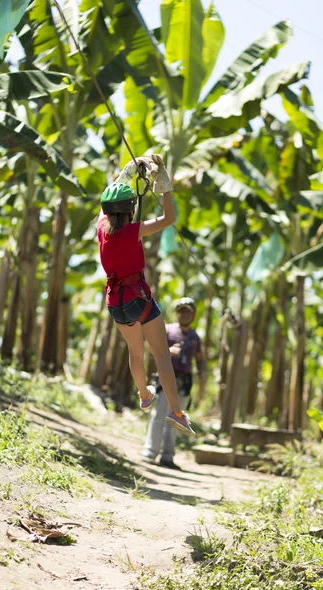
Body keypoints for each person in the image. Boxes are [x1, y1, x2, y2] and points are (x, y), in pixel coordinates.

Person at [97, 155, 195, 437]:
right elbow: (170, 218)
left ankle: (144, 396)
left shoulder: (101, 231)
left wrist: (128, 172)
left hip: (116, 302)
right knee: (162, 355)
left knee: (135, 352)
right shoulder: (133, 231)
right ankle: (177, 413)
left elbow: (110, 198)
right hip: (138, 298)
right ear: (130, 209)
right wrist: (162, 183)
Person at [143, 297, 207, 469]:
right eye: (182, 311)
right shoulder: (167, 330)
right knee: (159, 415)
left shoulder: (195, 337)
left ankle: (167, 457)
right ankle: (150, 452)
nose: (185, 315)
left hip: (184, 382)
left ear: (193, 315)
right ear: (177, 313)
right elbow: (151, 352)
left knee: (177, 419)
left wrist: (202, 374)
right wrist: (168, 351)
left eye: (188, 312)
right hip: (165, 378)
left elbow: (199, 358)